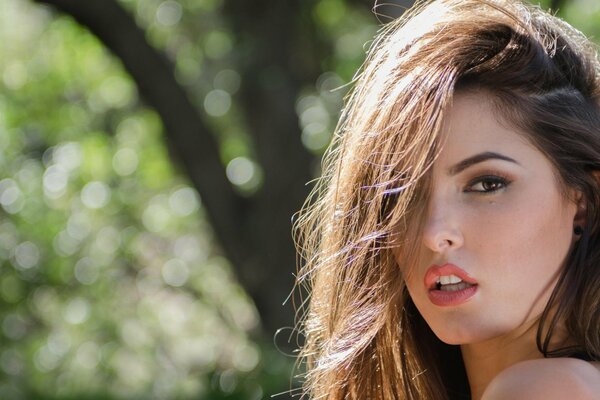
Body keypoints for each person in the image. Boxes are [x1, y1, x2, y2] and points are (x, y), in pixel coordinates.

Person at [293, 0, 600, 398]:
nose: (434, 232)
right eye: (400, 193)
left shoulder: (545, 389)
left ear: (585, 201)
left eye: (487, 184)